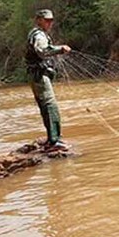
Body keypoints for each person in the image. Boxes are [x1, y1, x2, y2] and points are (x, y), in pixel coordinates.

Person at [26, 9, 71, 151]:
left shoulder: (38, 34)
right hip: (39, 75)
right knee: (51, 106)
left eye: (51, 20)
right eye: (46, 20)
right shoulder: (39, 35)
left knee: (45, 107)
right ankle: (54, 141)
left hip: (36, 75)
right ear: (38, 20)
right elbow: (43, 51)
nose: (49, 23)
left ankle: (51, 140)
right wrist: (60, 49)